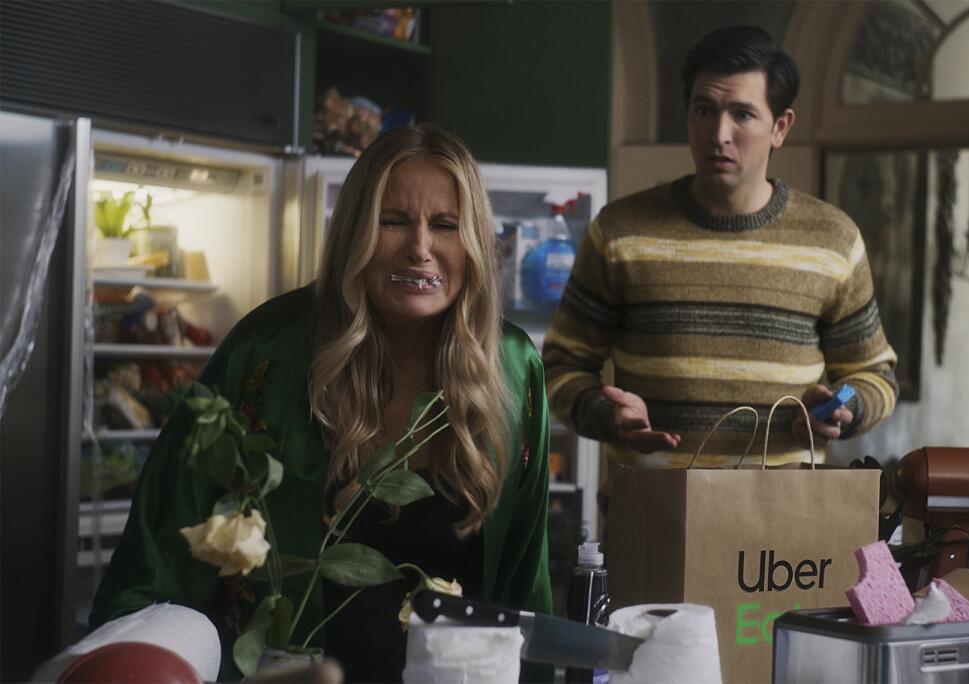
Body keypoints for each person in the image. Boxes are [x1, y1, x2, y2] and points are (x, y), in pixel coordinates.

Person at [90, 124, 553, 682]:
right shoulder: (268, 348)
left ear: (474, 241)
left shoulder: (512, 366)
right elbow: (164, 540)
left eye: (446, 226)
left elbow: (526, 575)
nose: (421, 247)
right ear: (355, 230)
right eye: (393, 220)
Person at [543, 26, 898, 473]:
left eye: (742, 114)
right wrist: (604, 415)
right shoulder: (620, 231)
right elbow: (559, 366)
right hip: (651, 518)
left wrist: (847, 412)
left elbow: (875, 376)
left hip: (782, 522)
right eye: (704, 110)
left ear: (780, 127)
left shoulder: (834, 239)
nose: (719, 133)